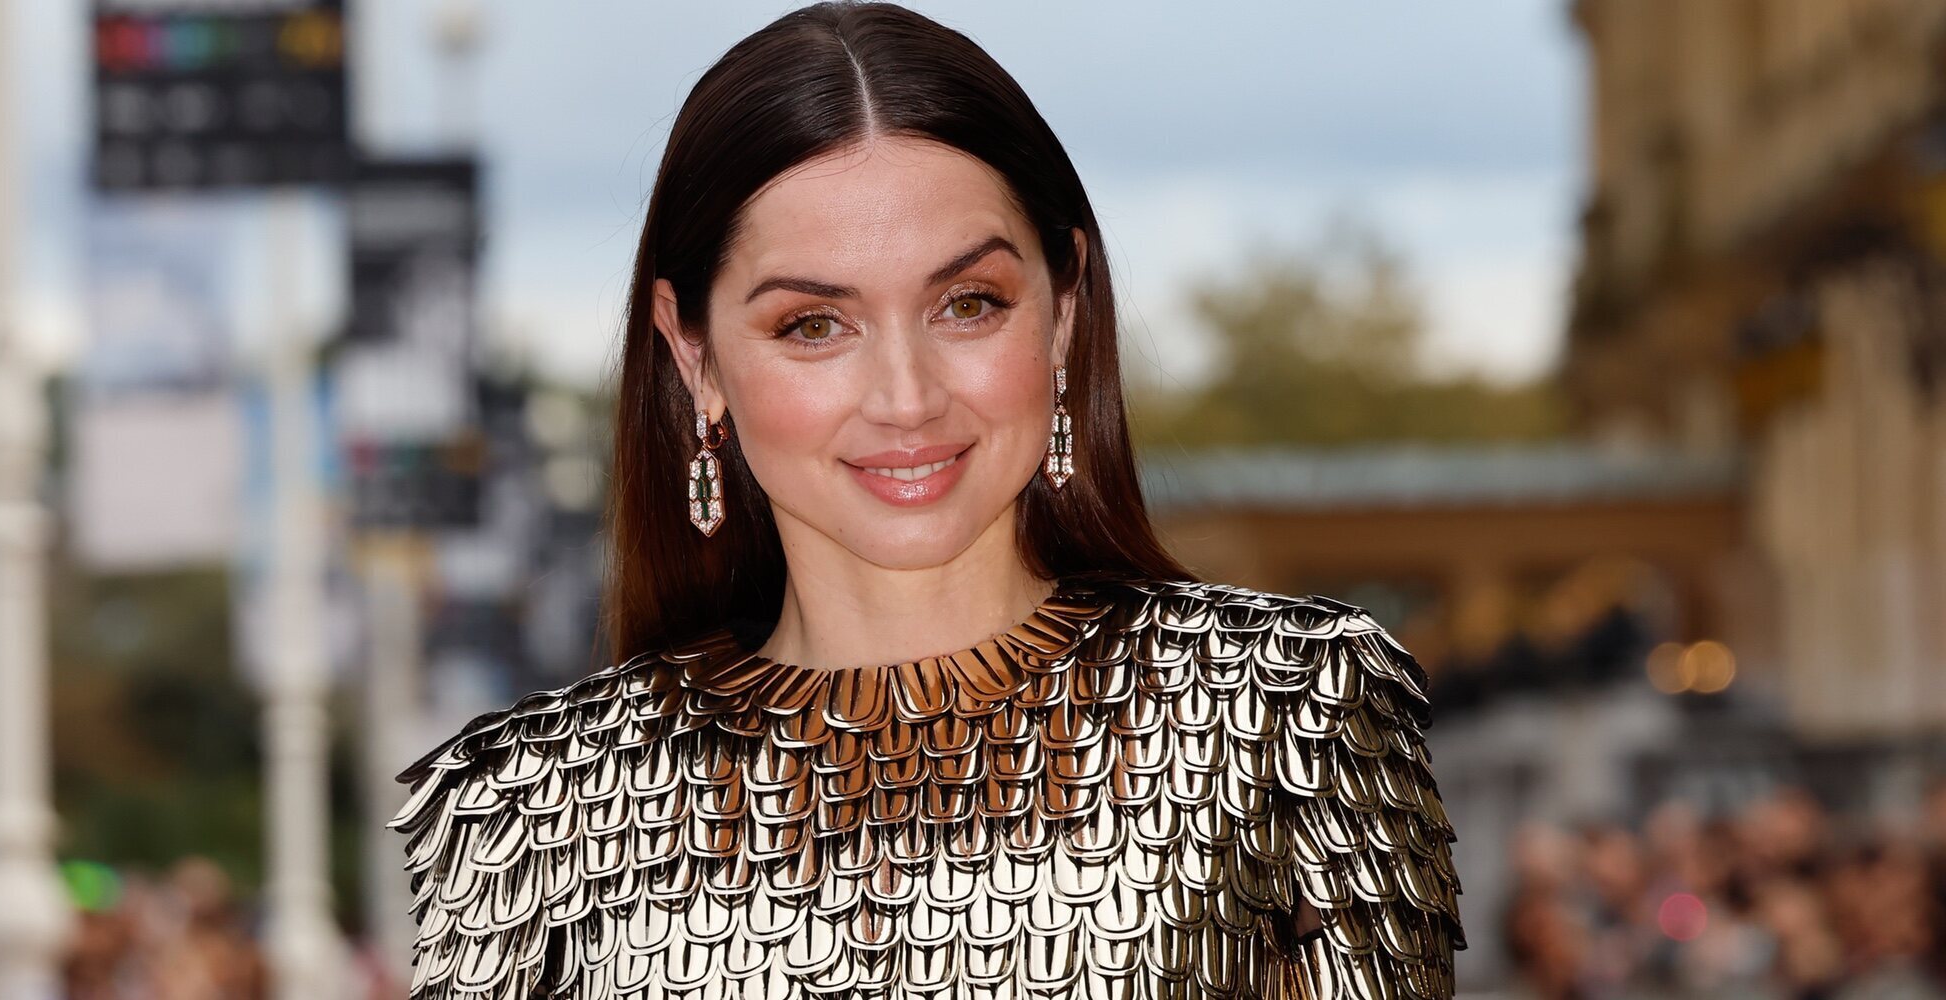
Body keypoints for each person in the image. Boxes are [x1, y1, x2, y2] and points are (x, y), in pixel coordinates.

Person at [386, 3, 1464, 997]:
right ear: (694, 355)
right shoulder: (528, 814)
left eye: (967, 303)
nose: (906, 397)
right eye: (814, 324)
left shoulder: (1287, 717)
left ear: (1063, 308)